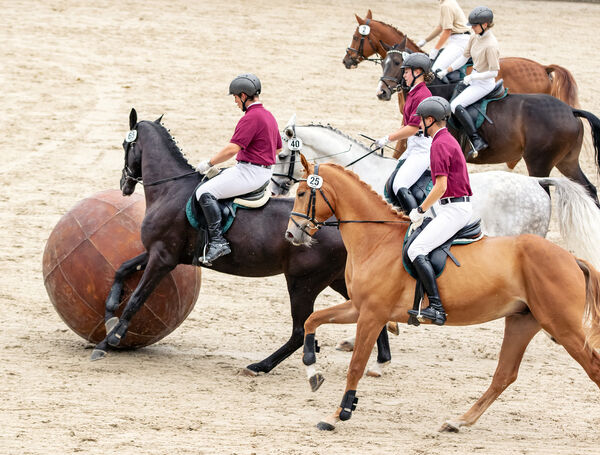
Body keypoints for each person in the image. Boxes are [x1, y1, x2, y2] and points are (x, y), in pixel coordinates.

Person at [195, 73, 282, 264]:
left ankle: (218, 242)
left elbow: (232, 149)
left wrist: (209, 163)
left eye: (235, 97)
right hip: (261, 170)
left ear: (243, 96)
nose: (235, 102)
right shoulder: (269, 116)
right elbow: (278, 148)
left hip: (250, 172)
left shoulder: (251, 117)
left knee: (204, 191)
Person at [406, 96, 473, 326]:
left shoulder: (439, 144)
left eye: (422, 120)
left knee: (416, 249)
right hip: (450, 205)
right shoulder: (446, 139)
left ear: (431, 120)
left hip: (454, 208)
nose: (420, 125)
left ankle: (436, 307)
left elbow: (441, 186)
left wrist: (420, 209)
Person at [436, 6, 499, 155]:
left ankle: (477, 140)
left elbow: (494, 71)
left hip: (484, 83)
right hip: (473, 79)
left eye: (475, 26)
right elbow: (464, 57)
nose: (473, 28)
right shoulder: (473, 37)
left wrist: (474, 77)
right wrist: (447, 69)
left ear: (485, 25)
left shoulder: (491, 45)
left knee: (455, 105)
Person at [375, 53, 433, 212]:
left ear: (418, 72)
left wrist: (388, 138)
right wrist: (386, 137)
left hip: (422, 148)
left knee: (400, 184)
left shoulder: (422, 95)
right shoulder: (413, 92)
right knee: (392, 178)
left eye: (407, 72)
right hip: (413, 145)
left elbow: (414, 128)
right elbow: (407, 124)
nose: (404, 75)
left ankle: (417, 220)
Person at [416, 0, 471, 74]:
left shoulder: (446, 5)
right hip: (459, 39)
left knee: (435, 70)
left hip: (459, 42)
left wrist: (435, 49)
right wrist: (425, 41)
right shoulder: (449, 2)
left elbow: (447, 31)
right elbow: (440, 27)